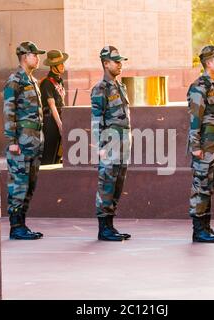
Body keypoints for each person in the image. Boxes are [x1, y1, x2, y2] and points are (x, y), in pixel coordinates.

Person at [3, 41, 46, 240]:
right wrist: (12, 140)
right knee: (19, 183)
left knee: (30, 183)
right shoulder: (15, 80)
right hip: (21, 140)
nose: (37, 58)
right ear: (24, 56)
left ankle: (22, 223)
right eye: (34, 55)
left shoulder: (33, 81)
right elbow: (9, 111)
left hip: (35, 140)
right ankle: (15, 226)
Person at [187, 45, 214, 243]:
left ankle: (206, 227)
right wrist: (196, 146)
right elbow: (195, 118)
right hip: (204, 143)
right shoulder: (199, 87)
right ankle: (198, 231)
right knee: (201, 186)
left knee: (210, 184)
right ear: (208, 62)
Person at [90, 46, 132, 241]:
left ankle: (110, 225)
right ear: (106, 63)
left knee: (117, 183)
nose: (120, 64)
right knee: (106, 183)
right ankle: (103, 228)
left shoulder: (119, 86)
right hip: (110, 142)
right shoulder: (100, 88)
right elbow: (96, 120)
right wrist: (100, 147)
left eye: (120, 61)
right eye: (116, 61)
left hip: (123, 142)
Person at [40, 49, 69, 164]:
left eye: (63, 63)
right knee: (49, 156)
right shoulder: (47, 82)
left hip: (60, 119)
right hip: (51, 121)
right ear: (53, 66)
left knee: (58, 155)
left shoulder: (60, 81)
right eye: (59, 64)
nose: (62, 66)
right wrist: (60, 125)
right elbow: (52, 106)